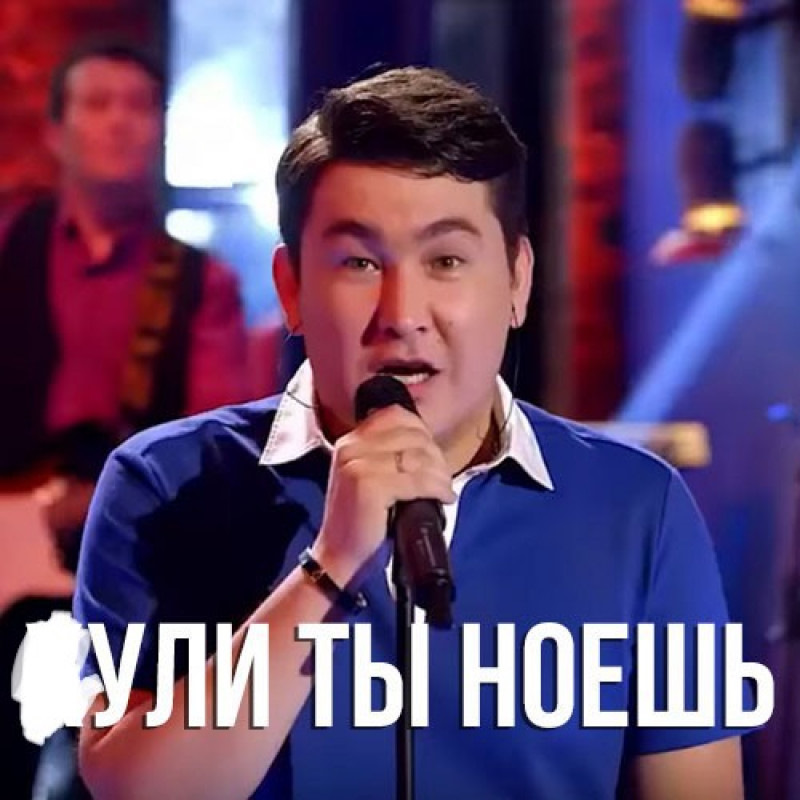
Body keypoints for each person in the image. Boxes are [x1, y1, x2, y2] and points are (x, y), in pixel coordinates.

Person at [74, 66, 751, 799]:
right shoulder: (165, 484)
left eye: (447, 260)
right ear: (291, 288)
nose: (401, 313)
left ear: (517, 280)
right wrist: (329, 566)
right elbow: (132, 790)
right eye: (360, 262)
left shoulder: (636, 507)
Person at [0, 39, 250, 798]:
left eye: (139, 106)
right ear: (56, 131)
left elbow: (212, 447)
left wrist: (101, 499)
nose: (119, 122)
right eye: (98, 104)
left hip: (128, 575)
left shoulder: (201, 282)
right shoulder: (8, 247)